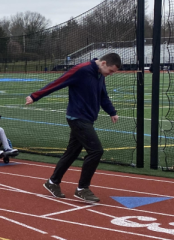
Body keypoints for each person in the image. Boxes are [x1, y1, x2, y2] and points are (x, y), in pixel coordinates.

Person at [26, 53, 121, 203]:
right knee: (96, 150)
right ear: (103, 63)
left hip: (88, 119)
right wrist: (35, 96)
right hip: (77, 118)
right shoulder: (81, 70)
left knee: (72, 152)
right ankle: (82, 189)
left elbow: (103, 96)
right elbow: (58, 82)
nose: (110, 74)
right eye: (111, 71)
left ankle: (52, 182)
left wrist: (112, 112)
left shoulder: (100, 75)